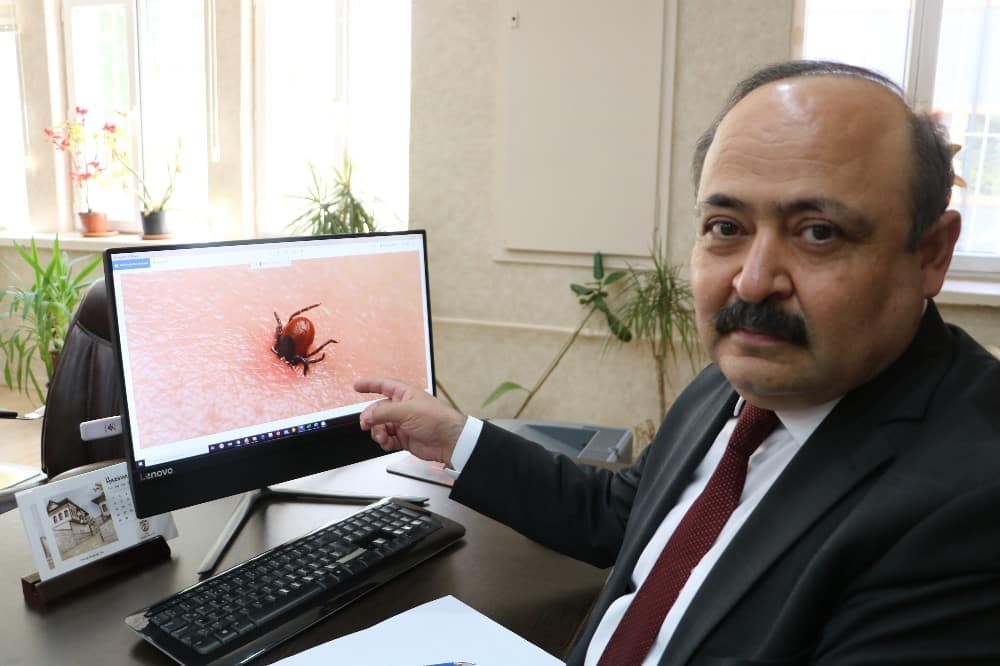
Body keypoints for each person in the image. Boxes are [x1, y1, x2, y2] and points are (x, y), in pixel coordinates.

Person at [355, 60, 1000, 665]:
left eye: (818, 232)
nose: (752, 282)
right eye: (726, 227)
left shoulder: (971, 508)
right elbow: (619, 515)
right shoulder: (744, 377)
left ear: (931, 254)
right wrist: (456, 438)